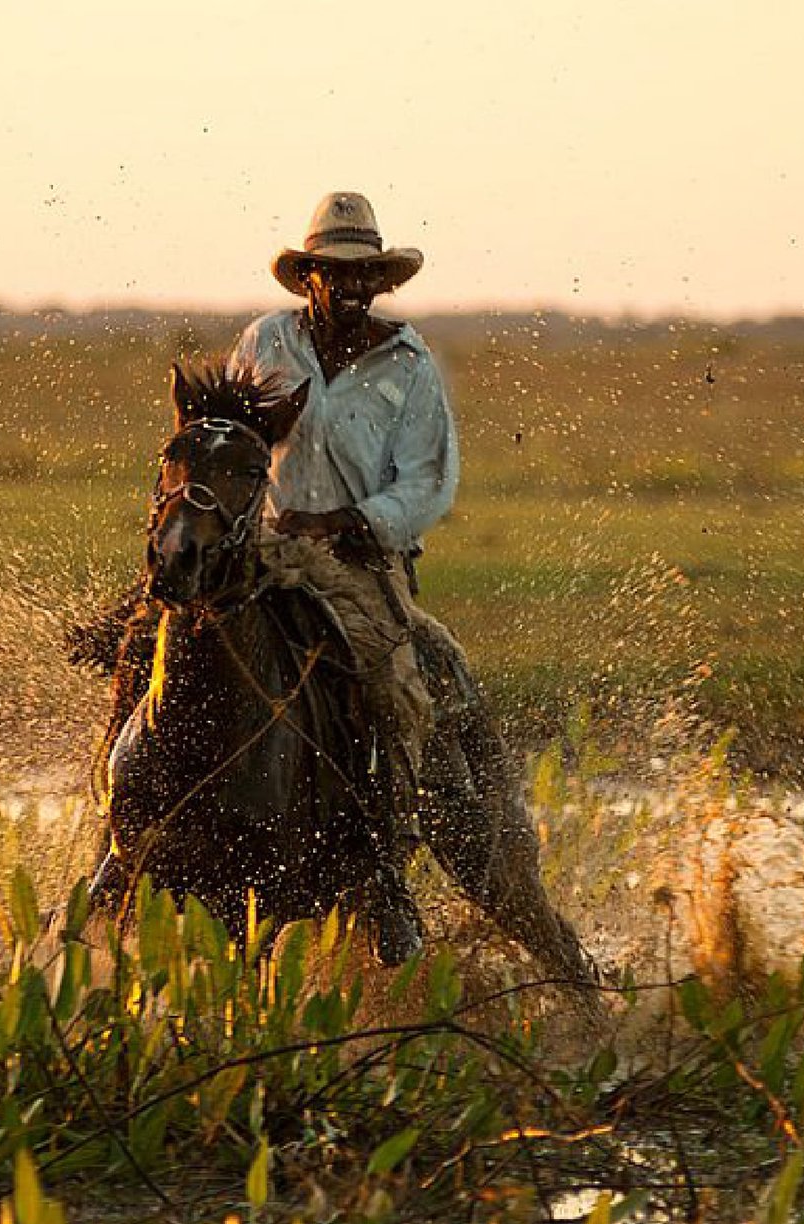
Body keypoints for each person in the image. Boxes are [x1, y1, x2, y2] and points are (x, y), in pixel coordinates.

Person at [78, 193, 595, 983]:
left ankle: (381, 857)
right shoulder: (265, 341)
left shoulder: (411, 365)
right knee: (147, 636)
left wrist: (359, 519)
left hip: (358, 557)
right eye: (335, 276)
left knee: (392, 675)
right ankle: (122, 830)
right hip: (262, 544)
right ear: (308, 279)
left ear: (380, 285)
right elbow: (236, 447)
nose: (351, 291)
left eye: (365, 278)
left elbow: (430, 482)